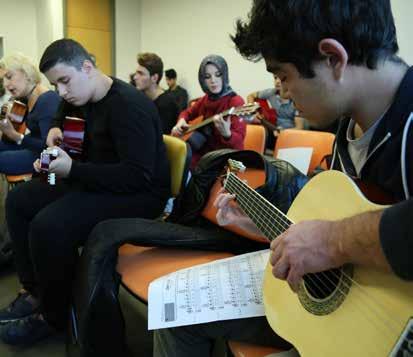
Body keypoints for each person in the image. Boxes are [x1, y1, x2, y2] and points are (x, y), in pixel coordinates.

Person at [154, 0, 413, 355]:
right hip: (352, 316)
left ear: (333, 59)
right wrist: (263, 226)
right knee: (174, 310)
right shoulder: (346, 126)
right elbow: (326, 236)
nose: (282, 93)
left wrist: (333, 240)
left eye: (284, 76)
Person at [0, 39, 170, 346]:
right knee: (19, 200)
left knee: (49, 226)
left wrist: (72, 171)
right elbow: (62, 112)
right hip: (98, 179)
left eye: (65, 81)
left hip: (139, 194)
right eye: (55, 85)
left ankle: (54, 317)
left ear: (87, 68)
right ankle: (35, 291)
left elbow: (138, 176)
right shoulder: (79, 96)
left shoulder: (131, 107)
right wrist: (54, 129)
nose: (62, 92)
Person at [171, 54, 246, 168]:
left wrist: (227, 134)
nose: (213, 81)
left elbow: (239, 143)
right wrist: (181, 121)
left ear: (224, 75)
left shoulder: (236, 102)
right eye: (207, 76)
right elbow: (187, 113)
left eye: (218, 75)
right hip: (204, 154)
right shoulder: (205, 99)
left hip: (225, 160)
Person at [0, 53, 60, 174]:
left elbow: (49, 148)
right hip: (32, 144)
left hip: (45, 156)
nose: (5, 84)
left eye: (9, 77)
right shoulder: (23, 98)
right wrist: (7, 126)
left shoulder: (47, 100)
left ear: (27, 74)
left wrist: (15, 135)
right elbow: (8, 139)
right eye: (3, 80)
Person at [247, 75, 305, 149]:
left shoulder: (297, 100)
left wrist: (283, 132)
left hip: (288, 136)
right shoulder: (272, 92)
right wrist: (253, 111)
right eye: (275, 78)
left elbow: (299, 128)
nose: (277, 81)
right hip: (272, 130)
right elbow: (251, 96)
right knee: (255, 131)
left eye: (281, 78)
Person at [134, 52, 179, 134]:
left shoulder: (167, 104)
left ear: (154, 78)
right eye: (136, 73)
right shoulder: (143, 99)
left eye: (141, 73)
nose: (135, 77)